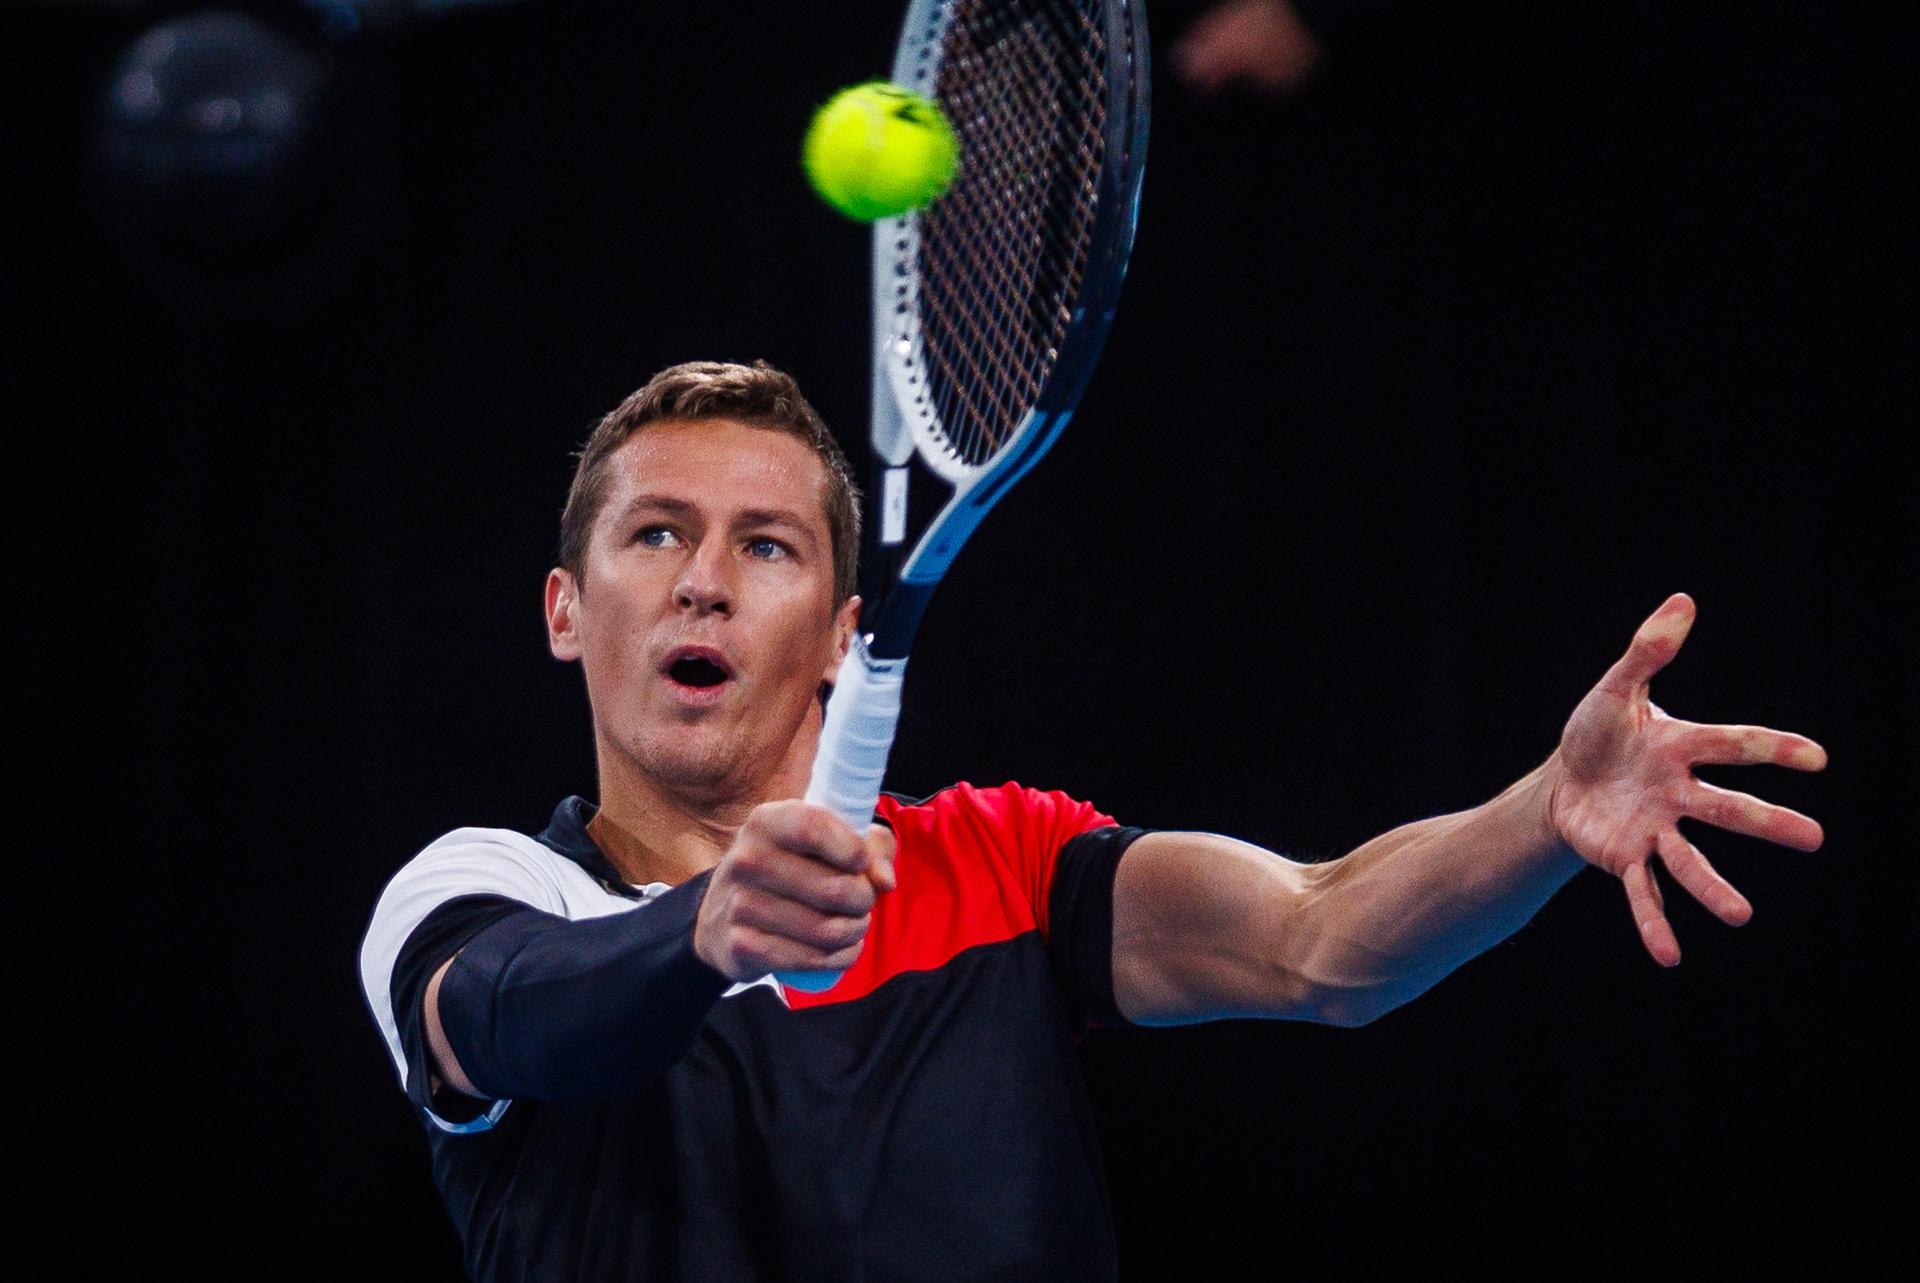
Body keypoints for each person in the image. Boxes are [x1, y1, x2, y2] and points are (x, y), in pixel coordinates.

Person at [359, 359, 1825, 1282]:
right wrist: (707, 930)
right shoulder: (482, 892)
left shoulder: (1003, 861)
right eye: (656, 534)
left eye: (767, 546)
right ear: (567, 610)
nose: (703, 582)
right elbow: (516, 1019)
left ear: (841, 638)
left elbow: (1319, 938)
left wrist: (1543, 815)